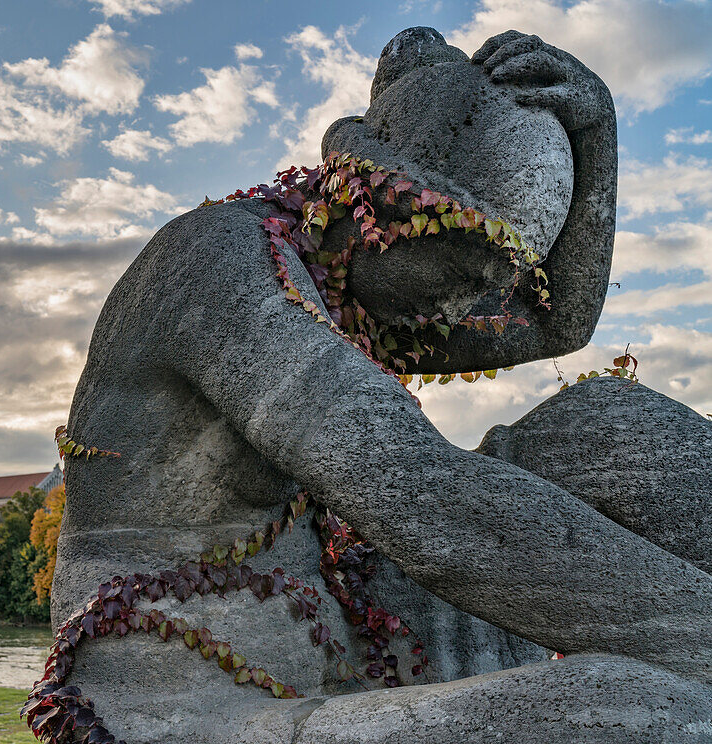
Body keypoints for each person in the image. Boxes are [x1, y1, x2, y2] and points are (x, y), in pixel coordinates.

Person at [49, 26, 712, 744]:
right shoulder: (217, 265)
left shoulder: (355, 294)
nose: (464, 311)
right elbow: (428, 504)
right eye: (462, 275)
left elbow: (554, 325)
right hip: (185, 698)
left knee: (609, 430)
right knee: (637, 710)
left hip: (338, 623)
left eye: (488, 286)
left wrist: (597, 138)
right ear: (382, 207)